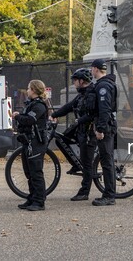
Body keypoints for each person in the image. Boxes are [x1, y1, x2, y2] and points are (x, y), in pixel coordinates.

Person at [50, 68, 97, 201]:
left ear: (82, 81)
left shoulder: (91, 94)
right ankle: (76, 165)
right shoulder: (82, 94)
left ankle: (84, 192)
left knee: (87, 163)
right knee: (60, 139)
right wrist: (53, 114)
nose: (74, 83)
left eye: (75, 80)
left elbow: (92, 114)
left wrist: (79, 120)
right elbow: (69, 106)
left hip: (89, 132)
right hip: (80, 129)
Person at [14, 80, 49, 211]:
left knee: (36, 172)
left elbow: (30, 120)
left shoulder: (39, 105)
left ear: (34, 90)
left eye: (29, 88)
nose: (27, 91)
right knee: (29, 172)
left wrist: (17, 117)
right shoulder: (31, 104)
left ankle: (39, 201)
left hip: (36, 143)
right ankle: (32, 197)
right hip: (28, 142)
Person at [90, 58, 118, 206]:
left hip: (105, 127)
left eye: (92, 69)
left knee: (107, 162)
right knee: (107, 161)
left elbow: (104, 109)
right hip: (107, 125)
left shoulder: (103, 87)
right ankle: (109, 193)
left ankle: (109, 195)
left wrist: (100, 129)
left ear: (95, 69)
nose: (91, 72)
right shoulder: (107, 84)